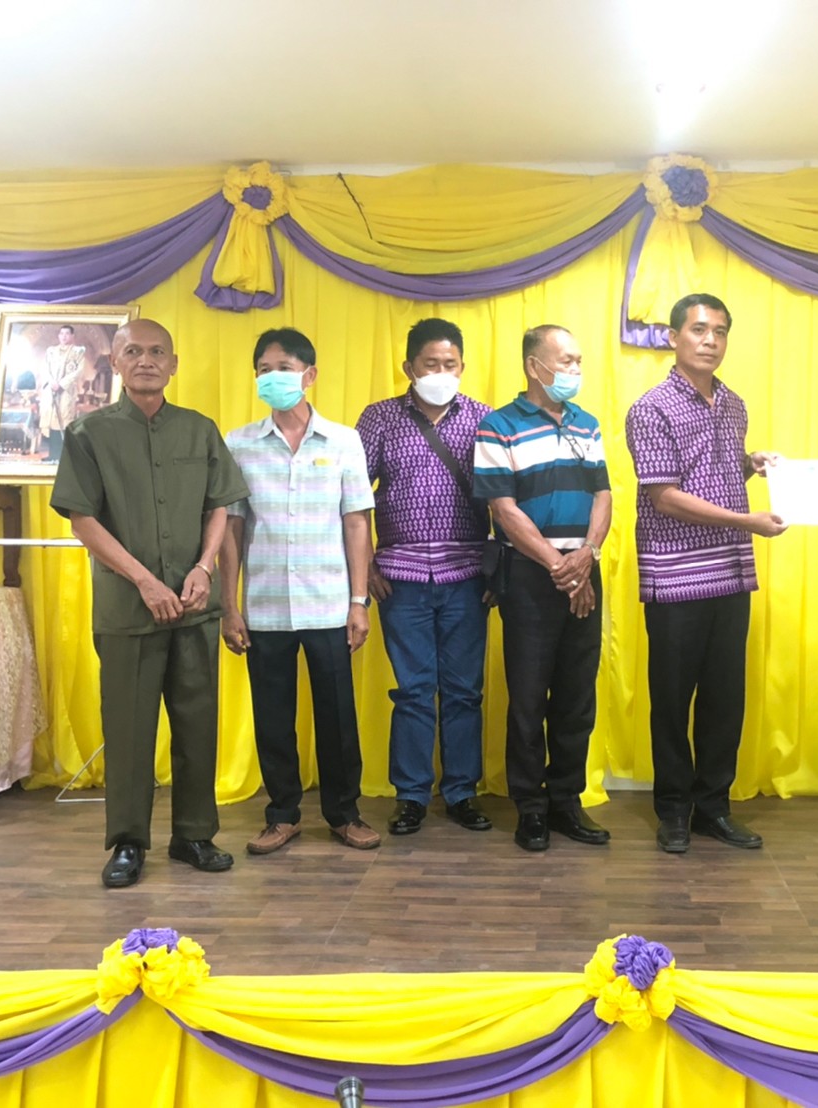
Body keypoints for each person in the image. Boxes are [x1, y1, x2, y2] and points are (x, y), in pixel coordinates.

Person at [49, 318, 248, 888]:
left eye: (158, 351)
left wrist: (204, 569)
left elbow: (219, 507)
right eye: (133, 351)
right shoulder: (87, 434)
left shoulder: (199, 430)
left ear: (173, 364)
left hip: (193, 604)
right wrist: (144, 581)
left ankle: (194, 835)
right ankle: (128, 843)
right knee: (130, 730)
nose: (146, 361)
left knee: (197, 724)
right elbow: (82, 520)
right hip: (128, 608)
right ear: (114, 363)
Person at [625, 293, 786, 855]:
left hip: (730, 572)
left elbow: (713, 469)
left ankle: (714, 807)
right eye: (698, 329)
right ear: (673, 337)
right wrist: (748, 521)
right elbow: (665, 495)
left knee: (725, 697)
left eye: (719, 331)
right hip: (675, 576)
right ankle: (673, 810)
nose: (710, 340)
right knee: (672, 700)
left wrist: (751, 464)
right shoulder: (651, 408)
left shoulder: (733, 404)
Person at [219, 327, 381, 855]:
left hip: (329, 603)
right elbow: (232, 528)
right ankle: (282, 814)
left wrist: (358, 602)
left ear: (309, 375)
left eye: (283, 368)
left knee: (337, 717)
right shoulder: (239, 444)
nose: (273, 378)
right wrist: (229, 606)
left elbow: (356, 522)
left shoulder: (343, 441)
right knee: (272, 718)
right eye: (264, 370)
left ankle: (344, 814)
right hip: (264, 606)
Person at [474, 325, 612, 852]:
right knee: (529, 697)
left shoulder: (586, 424)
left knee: (577, 695)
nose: (575, 370)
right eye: (567, 360)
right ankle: (530, 807)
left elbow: (603, 495)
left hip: (583, 567)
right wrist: (560, 567)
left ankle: (566, 802)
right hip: (531, 576)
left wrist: (587, 555)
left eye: (579, 361)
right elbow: (503, 509)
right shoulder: (499, 426)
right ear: (535, 366)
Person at [355, 318, 494, 836]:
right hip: (400, 577)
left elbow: (504, 499)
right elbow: (353, 497)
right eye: (430, 364)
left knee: (464, 692)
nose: (440, 372)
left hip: (467, 575)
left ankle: (461, 792)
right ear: (408, 367)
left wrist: (497, 571)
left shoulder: (484, 418)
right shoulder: (379, 419)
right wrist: (366, 565)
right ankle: (411, 795)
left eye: (449, 364)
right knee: (413, 691)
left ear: (462, 366)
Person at [40, 324, 86, 462]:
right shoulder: (51, 351)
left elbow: (79, 371)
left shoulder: (78, 352)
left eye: (67, 334)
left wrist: (61, 384)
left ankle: (64, 456)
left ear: (72, 336)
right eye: (62, 333)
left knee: (64, 420)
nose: (64, 336)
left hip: (66, 391)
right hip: (51, 390)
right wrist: (52, 382)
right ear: (58, 336)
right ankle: (52, 454)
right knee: (51, 420)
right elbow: (45, 368)